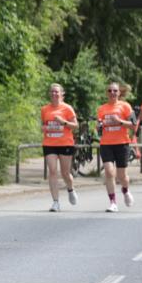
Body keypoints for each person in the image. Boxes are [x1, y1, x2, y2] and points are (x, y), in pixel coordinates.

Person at [96, 82, 137, 212]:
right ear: (106, 93)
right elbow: (99, 128)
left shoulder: (125, 106)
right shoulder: (102, 108)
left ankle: (125, 190)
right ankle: (113, 202)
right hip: (106, 144)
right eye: (110, 91)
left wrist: (119, 121)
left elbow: (133, 124)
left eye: (115, 91)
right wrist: (99, 127)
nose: (112, 93)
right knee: (109, 172)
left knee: (122, 176)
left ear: (119, 93)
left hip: (122, 143)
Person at [40, 83, 79, 212]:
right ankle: (55, 202)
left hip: (65, 143)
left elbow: (75, 126)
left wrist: (63, 122)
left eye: (57, 92)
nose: (54, 94)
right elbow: (43, 125)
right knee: (52, 171)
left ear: (62, 94)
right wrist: (44, 128)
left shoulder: (67, 108)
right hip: (49, 144)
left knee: (65, 173)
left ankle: (70, 189)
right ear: (49, 94)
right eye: (52, 92)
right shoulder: (45, 109)